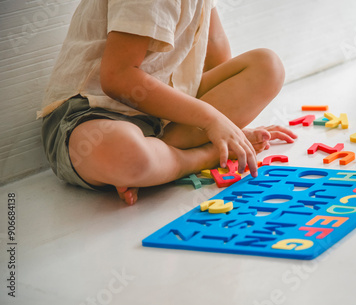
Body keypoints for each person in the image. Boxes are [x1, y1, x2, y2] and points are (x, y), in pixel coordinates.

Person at [39, 0, 297, 205]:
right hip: (94, 113)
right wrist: (211, 119)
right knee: (124, 152)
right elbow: (117, 78)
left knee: (267, 66)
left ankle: (158, 163)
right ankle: (202, 156)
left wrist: (224, 125)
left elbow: (216, 53)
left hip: (167, 107)